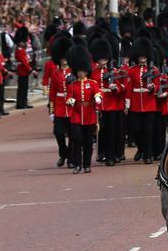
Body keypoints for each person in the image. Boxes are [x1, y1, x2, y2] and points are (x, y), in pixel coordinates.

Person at [66, 44, 102, 173]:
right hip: (76, 116)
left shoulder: (92, 83)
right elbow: (69, 97)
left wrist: (97, 98)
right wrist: (70, 101)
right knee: (77, 141)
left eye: (82, 71)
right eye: (78, 71)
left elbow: (97, 92)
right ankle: (77, 165)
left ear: (86, 71)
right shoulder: (72, 84)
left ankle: (87, 165)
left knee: (88, 142)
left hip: (89, 115)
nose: (80, 73)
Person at [90, 37, 125, 166]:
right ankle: (102, 153)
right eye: (100, 59)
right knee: (101, 131)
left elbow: (123, 87)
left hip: (112, 105)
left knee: (111, 131)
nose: (102, 61)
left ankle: (111, 156)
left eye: (104, 58)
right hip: (98, 106)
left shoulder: (114, 72)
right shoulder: (93, 73)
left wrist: (115, 88)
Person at [125, 36, 159, 164]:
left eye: (144, 55)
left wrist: (153, 87)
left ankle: (148, 155)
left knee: (148, 131)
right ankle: (141, 149)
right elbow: (129, 88)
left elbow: (157, 85)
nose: (142, 57)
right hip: (135, 104)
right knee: (136, 130)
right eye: (140, 55)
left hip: (149, 103)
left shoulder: (154, 70)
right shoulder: (132, 70)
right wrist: (127, 105)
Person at [48, 36, 74, 167]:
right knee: (58, 132)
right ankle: (63, 154)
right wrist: (51, 109)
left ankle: (71, 158)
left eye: (65, 58)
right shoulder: (55, 73)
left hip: (72, 106)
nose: (64, 60)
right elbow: (52, 92)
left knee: (72, 134)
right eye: (62, 58)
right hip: (59, 106)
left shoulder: (73, 71)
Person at [13, 26, 36, 109]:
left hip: (24, 70)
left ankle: (24, 103)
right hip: (22, 70)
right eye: (23, 41)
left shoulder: (22, 49)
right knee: (22, 88)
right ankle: (20, 104)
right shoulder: (19, 50)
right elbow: (24, 61)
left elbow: (26, 60)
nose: (24, 43)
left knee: (25, 87)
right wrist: (30, 69)